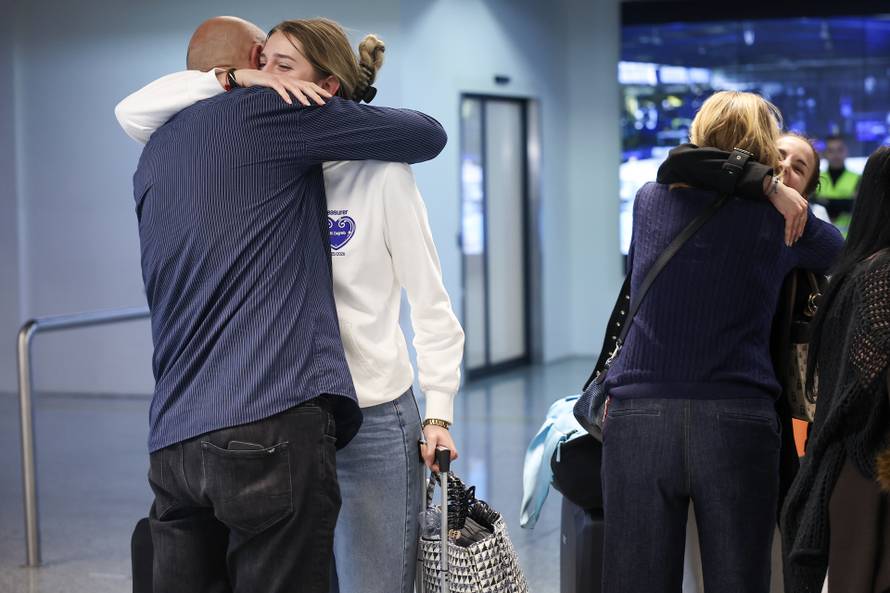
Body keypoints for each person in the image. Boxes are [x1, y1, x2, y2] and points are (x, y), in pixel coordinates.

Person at [116, 17, 464, 593]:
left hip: (369, 412)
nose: (266, 79)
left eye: (282, 67)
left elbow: (430, 301)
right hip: (288, 417)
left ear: (324, 90)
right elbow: (134, 110)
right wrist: (238, 80)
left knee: (372, 583)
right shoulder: (250, 149)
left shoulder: (377, 175)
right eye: (261, 64)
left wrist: (439, 409)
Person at [600, 91, 844, 593]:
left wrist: (763, 183)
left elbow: (678, 165)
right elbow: (840, 253)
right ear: (762, 148)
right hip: (736, 420)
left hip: (641, 416)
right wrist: (775, 191)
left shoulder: (650, 202)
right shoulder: (782, 221)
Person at [782, 145, 890, 593]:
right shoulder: (882, 274)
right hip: (872, 478)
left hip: (848, 475)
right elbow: (873, 377)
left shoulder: (854, 271)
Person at [816, 135, 861, 231]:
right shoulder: (816, 178)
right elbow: (811, 204)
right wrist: (846, 203)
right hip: (822, 239)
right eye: (831, 151)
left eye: (839, 150)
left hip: (848, 240)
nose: (836, 155)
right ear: (825, 154)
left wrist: (824, 202)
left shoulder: (858, 178)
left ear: (846, 151)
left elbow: (858, 207)